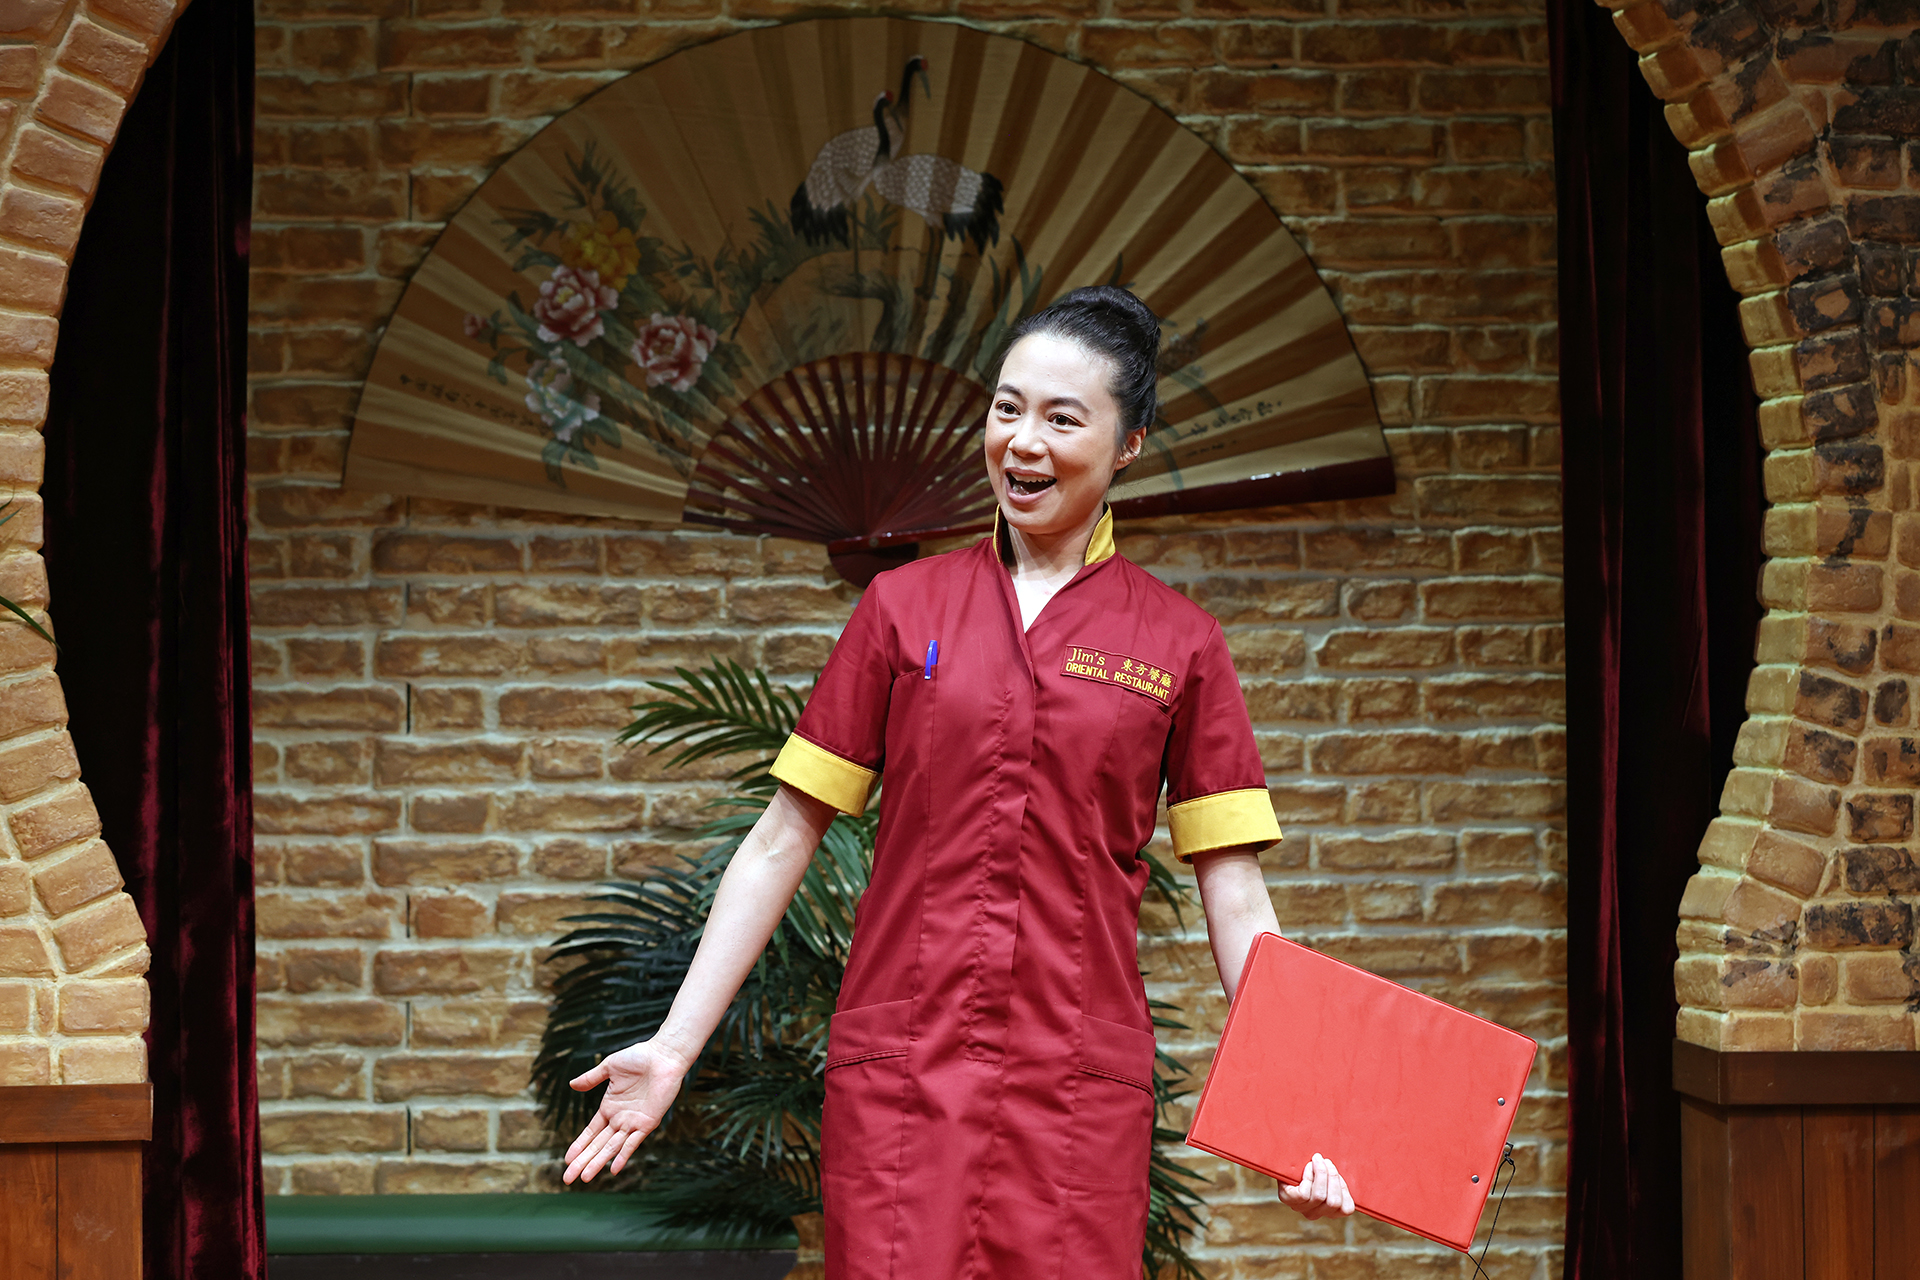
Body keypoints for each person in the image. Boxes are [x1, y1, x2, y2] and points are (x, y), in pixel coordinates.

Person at [562, 286, 1354, 1277]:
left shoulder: (1179, 644)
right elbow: (781, 836)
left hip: (1077, 1092)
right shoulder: (903, 609)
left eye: (1064, 419)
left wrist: (1299, 1113)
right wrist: (674, 1048)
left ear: (1129, 445)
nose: (1023, 442)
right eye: (1007, 408)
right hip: (904, 1078)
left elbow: (1236, 892)